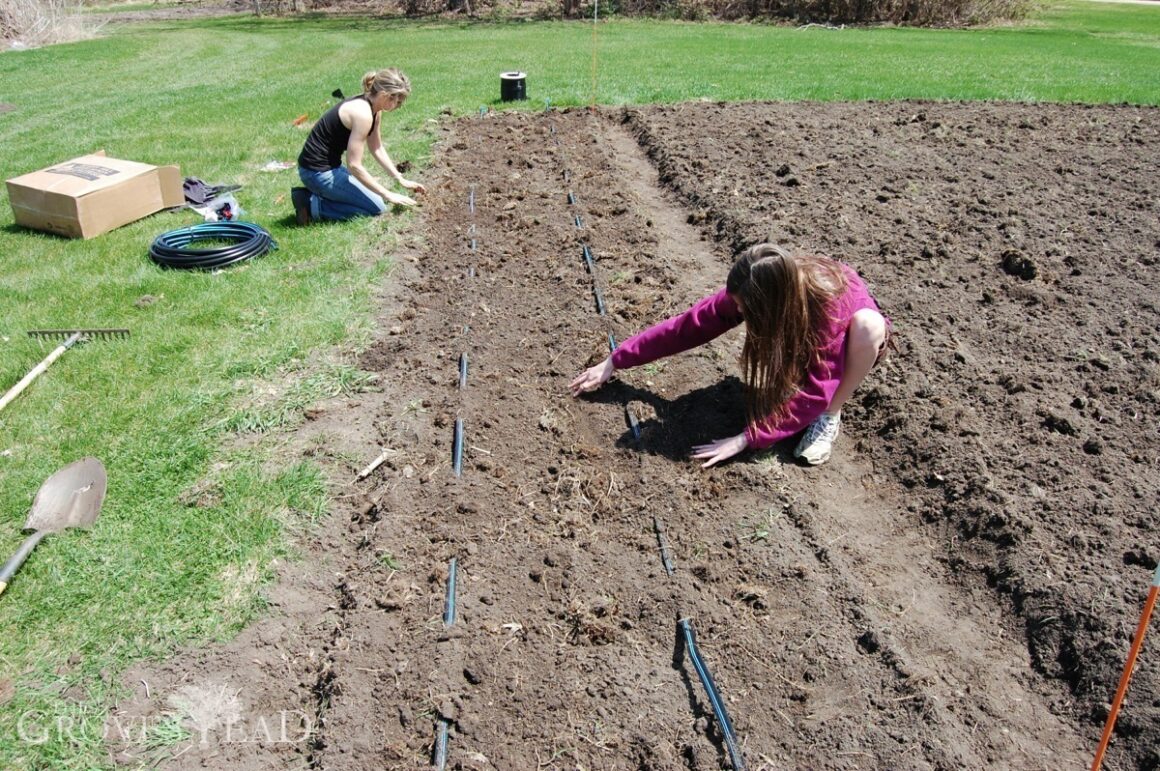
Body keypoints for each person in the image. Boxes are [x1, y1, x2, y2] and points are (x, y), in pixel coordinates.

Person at [570, 244, 889, 467]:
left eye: (744, 308)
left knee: (868, 328)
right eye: (735, 303)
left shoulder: (826, 313)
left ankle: (831, 416)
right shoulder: (759, 284)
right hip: (801, 330)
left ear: (771, 303)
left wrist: (746, 439)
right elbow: (686, 328)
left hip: (852, 339)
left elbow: (818, 389)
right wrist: (616, 359)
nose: (736, 311)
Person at [292, 68, 426, 225]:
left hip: (328, 168)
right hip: (316, 173)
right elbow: (354, 165)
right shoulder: (362, 114)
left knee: (375, 197)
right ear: (384, 95)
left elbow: (376, 147)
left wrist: (399, 178)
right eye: (398, 100)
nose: (398, 105)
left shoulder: (374, 107)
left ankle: (318, 198)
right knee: (378, 207)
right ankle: (311, 204)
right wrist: (388, 194)